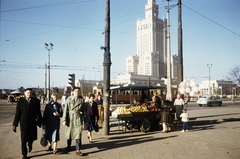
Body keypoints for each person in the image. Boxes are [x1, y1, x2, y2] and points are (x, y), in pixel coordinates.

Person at [12, 88, 43, 159]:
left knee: (31, 137)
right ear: (24, 93)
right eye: (28, 92)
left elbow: (38, 113)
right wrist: (15, 125)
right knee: (23, 139)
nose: (29, 94)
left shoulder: (36, 101)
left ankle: (30, 144)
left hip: (32, 122)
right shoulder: (20, 101)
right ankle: (24, 154)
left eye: (31, 93)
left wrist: (41, 122)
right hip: (24, 122)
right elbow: (18, 113)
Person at [62, 87, 85, 156]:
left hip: (77, 118)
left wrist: (85, 120)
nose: (77, 93)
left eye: (78, 91)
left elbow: (83, 111)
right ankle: (68, 145)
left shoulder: (81, 101)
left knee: (78, 134)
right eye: (75, 91)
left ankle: (78, 150)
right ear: (73, 92)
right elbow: (65, 110)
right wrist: (64, 120)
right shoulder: (69, 99)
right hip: (70, 118)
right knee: (70, 133)